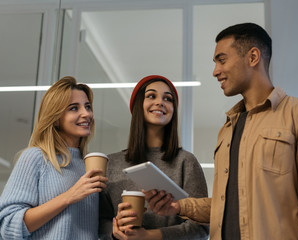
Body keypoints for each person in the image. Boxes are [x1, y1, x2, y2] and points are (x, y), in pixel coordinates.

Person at [144, 23, 298, 239]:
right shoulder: (227, 130)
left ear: (253, 57)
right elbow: (224, 205)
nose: (215, 71)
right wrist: (178, 207)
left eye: (222, 59)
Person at [98, 75, 209, 240]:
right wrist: (115, 229)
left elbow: (201, 227)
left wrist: (148, 236)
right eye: (151, 96)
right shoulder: (111, 164)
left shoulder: (186, 162)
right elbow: (100, 222)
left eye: (168, 98)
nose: (160, 102)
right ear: (138, 106)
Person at [0, 76, 108, 240]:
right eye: (74, 108)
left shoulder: (88, 165)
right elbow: (7, 225)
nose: (86, 114)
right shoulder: (36, 157)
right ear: (56, 118)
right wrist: (68, 196)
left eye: (87, 107)